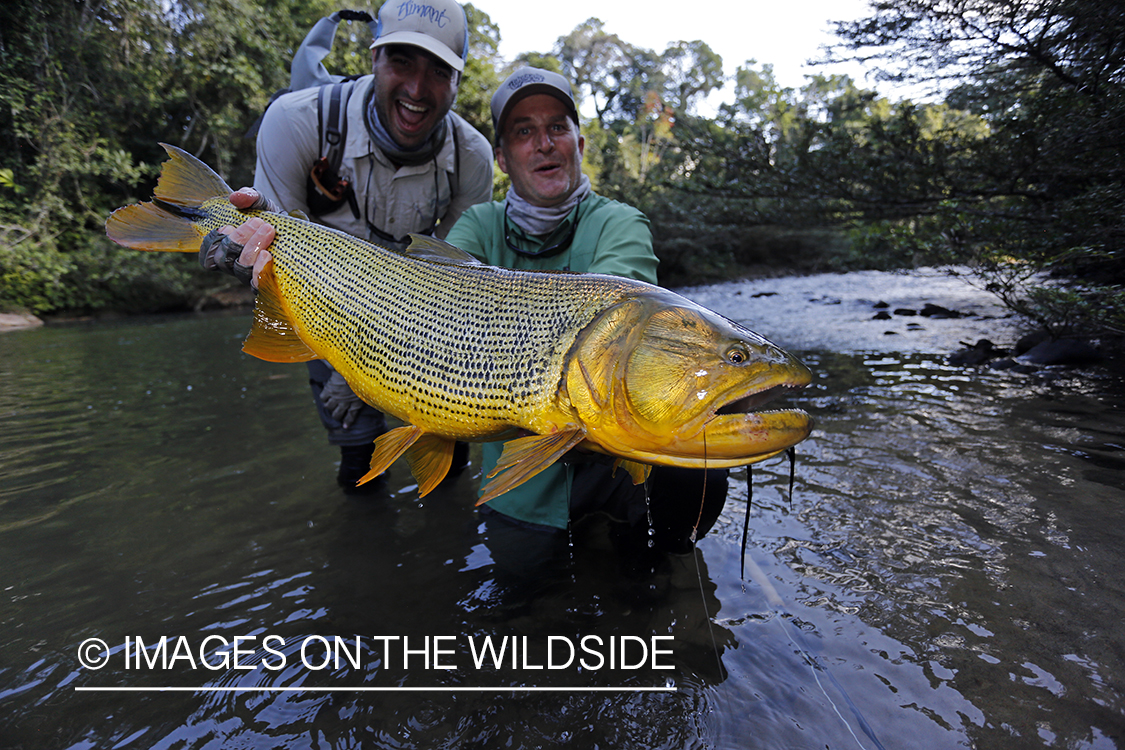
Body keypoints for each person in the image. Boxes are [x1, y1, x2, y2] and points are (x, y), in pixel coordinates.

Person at [202, 0, 493, 493]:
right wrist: (348, 371)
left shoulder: (472, 159)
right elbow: (276, 257)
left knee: (450, 454)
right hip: (323, 310)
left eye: (439, 70)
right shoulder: (295, 123)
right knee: (357, 465)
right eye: (402, 60)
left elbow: (456, 293)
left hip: (431, 333)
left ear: (458, 81)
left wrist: (374, 369)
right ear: (373, 58)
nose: (418, 89)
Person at [443, 67, 729, 565]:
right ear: (502, 157)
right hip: (521, 487)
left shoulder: (618, 223)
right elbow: (434, 308)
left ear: (579, 142)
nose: (544, 144)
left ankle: (661, 565)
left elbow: (619, 323)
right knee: (521, 606)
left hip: (616, 471)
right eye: (523, 132)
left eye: (557, 127)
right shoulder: (477, 226)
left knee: (699, 460)